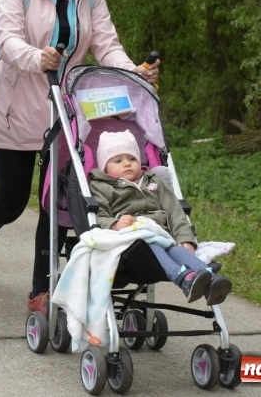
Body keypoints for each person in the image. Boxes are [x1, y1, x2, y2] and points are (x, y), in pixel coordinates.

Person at [0, 0, 160, 315]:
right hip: (19, 99)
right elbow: (7, 38)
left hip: (66, 107)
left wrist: (135, 71)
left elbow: (106, 43)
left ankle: (41, 289)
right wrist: (39, 58)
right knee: (11, 200)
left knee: (57, 202)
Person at [88, 130, 232, 305]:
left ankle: (209, 279)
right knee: (151, 245)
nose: (127, 163)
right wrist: (115, 224)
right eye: (118, 160)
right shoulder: (101, 187)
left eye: (132, 158)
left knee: (177, 249)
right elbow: (100, 215)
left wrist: (186, 239)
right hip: (131, 241)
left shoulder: (153, 181)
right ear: (105, 167)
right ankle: (183, 278)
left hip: (161, 234)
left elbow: (174, 211)